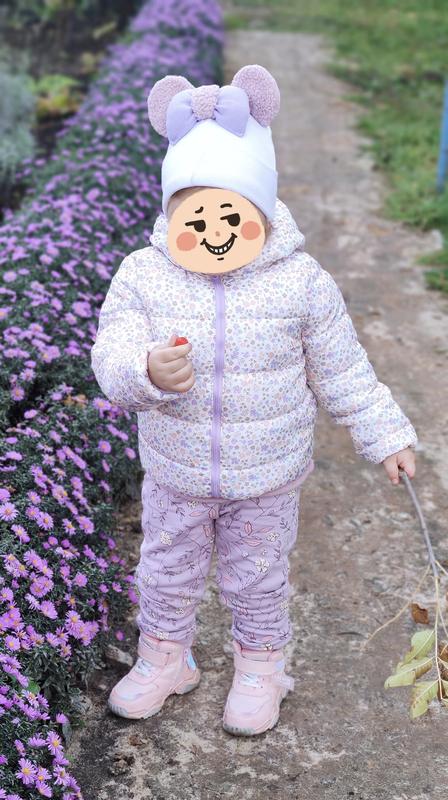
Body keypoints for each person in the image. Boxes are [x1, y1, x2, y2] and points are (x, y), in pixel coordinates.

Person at [90, 65, 417, 736]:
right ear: (171, 214)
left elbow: (343, 370)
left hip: (266, 476)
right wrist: (145, 369)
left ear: (262, 212)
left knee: (257, 577)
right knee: (166, 571)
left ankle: (261, 669)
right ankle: (165, 659)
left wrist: (386, 435)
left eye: (231, 214)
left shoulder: (301, 283)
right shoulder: (143, 276)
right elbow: (111, 352)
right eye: (196, 215)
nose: (215, 229)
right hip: (177, 470)